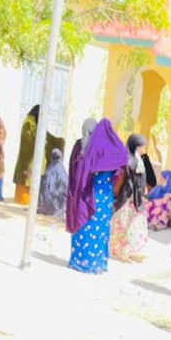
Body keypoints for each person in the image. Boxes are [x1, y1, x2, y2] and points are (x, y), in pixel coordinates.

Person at [66, 117, 128, 274]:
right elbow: (121, 164)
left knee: (86, 225)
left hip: (89, 193)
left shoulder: (90, 149)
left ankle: (82, 261)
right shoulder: (111, 150)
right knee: (100, 229)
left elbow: (79, 173)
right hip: (105, 196)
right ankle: (98, 263)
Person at [109, 133, 151, 262]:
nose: (143, 149)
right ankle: (120, 251)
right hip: (127, 198)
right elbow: (122, 179)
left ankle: (131, 250)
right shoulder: (127, 159)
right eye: (141, 146)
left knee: (135, 225)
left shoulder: (138, 159)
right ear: (135, 146)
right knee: (123, 224)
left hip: (136, 199)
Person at [13, 105, 39, 204]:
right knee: (25, 179)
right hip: (26, 156)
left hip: (29, 156)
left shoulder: (32, 122)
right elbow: (28, 140)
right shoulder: (29, 122)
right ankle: (23, 200)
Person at [38, 147, 68, 218]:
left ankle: (49, 209)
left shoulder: (52, 168)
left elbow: (48, 186)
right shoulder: (61, 169)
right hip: (61, 200)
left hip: (55, 199)